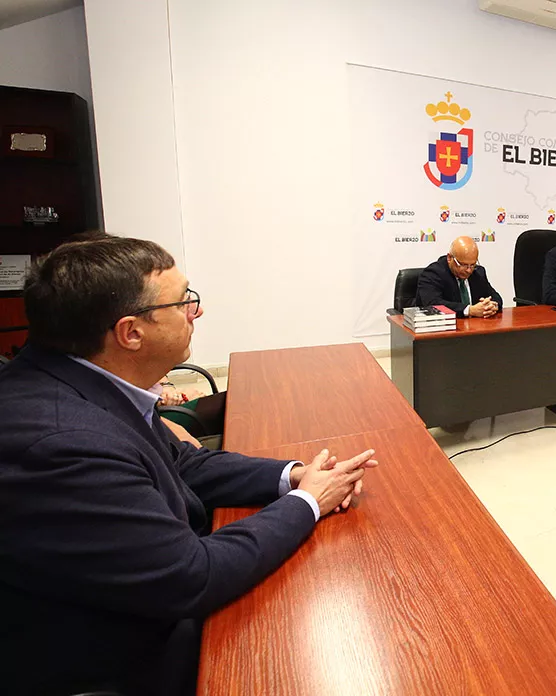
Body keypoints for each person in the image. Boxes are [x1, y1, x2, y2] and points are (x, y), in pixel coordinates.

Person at [0, 235, 379, 695]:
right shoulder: (64, 444)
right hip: (117, 663)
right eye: (184, 303)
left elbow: (179, 461)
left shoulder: (80, 380)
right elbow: (190, 576)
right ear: (131, 332)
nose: (196, 313)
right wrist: (309, 502)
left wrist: (292, 475)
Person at [415, 235, 502, 318]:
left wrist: (492, 306)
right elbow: (433, 304)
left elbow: (495, 297)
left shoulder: (478, 272)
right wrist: (469, 310)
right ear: (449, 258)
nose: (469, 270)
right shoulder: (433, 273)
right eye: (463, 265)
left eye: (472, 265)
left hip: (474, 328)